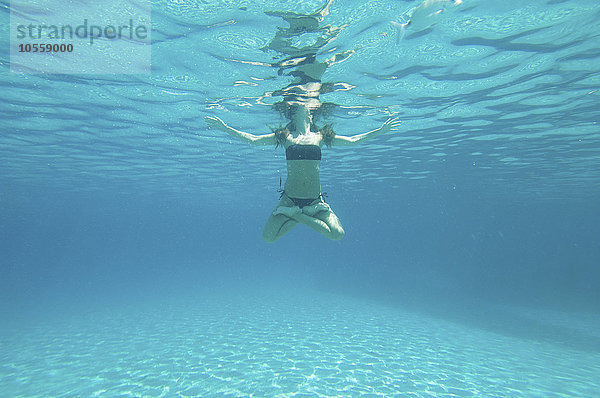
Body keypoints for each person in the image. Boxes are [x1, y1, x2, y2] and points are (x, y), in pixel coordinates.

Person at [205, 105, 401, 242]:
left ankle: (297, 215)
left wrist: (380, 131)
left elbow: (353, 140)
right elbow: (253, 140)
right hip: (289, 199)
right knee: (268, 238)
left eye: (307, 109)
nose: (304, 110)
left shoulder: (321, 137)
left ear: (311, 116)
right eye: (299, 107)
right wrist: (225, 128)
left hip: (315, 200)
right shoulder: (286, 137)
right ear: (293, 114)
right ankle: (301, 214)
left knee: (338, 234)